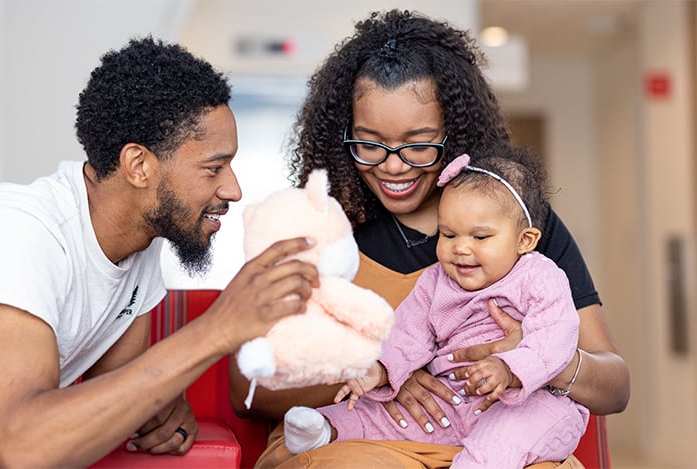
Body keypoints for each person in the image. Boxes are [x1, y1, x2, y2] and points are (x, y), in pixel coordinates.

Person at [227, 9, 630, 468]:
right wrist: (388, 367)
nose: (393, 166)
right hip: (359, 443)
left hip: (493, 447)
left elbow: (615, 387)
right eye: (369, 143)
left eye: (418, 143)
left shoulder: (513, 221)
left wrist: (543, 357)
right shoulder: (317, 227)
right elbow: (246, 391)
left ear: (453, 132)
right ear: (343, 138)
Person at [0, 37, 319, 469]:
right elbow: (25, 448)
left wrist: (161, 412)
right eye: (213, 168)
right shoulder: (21, 230)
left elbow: (122, 389)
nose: (233, 190)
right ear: (139, 165)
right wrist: (217, 329)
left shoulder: (139, 248)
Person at [284, 152, 590, 468]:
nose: (461, 247)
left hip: (529, 401)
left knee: (503, 438)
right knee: (382, 413)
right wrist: (381, 369)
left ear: (524, 240)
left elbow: (556, 334)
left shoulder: (540, 277)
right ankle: (327, 429)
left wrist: (510, 369)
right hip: (453, 399)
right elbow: (407, 331)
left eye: (480, 236)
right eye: (448, 234)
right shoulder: (436, 280)